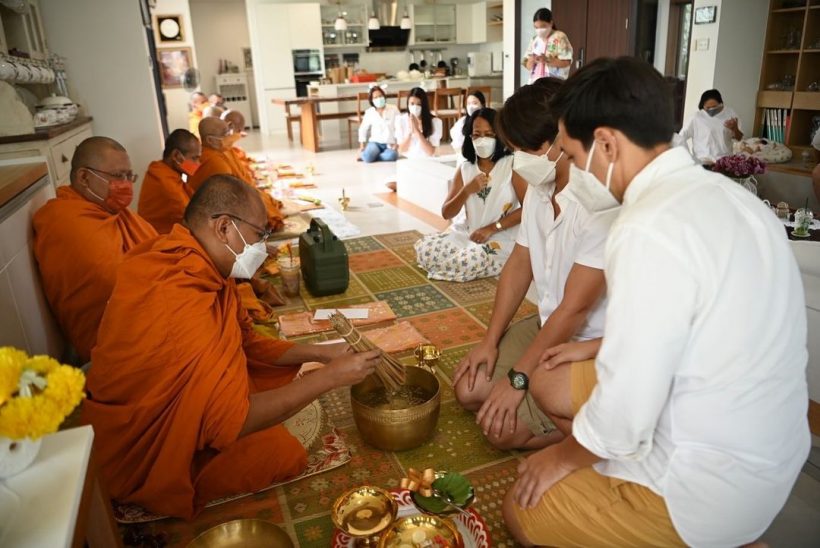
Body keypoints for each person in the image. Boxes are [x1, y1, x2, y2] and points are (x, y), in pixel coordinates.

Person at [501, 57, 809, 548]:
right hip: (769, 450)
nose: (576, 172)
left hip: (705, 488)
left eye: (575, 159)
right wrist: (598, 348)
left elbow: (625, 411)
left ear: (606, 143)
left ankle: (704, 536)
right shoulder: (730, 198)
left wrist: (560, 458)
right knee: (552, 383)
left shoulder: (647, 226)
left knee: (522, 510)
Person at [83, 175, 382, 519]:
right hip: (139, 449)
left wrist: (319, 352)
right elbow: (233, 423)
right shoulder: (176, 291)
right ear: (224, 227)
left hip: (171, 405)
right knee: (282, 455)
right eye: (259, 235)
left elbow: (247, 343)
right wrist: (330, 377)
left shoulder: (203, 266)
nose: (265, 247)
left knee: (261, 391)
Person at [453, 80, 616, 450]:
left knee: (499, 431)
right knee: (469, 390)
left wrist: (518, 380)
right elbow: (520, 261)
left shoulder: (598, 203)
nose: (520, 158)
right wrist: (489, 341)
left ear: (562, 138)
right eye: (515, 148)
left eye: (528, 148)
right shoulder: (541, 192)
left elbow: (575, 312)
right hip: (549, 323)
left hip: (588, 341)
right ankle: (555, 406)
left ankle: (581, 431)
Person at [32, 137, 157, 363]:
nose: (127, 184)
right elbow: (113, 287)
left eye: (130, 176)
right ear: (83, 177)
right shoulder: (64, 222)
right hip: (117, 349)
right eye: (118, 176)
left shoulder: (117, 212)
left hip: (152, 319)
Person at [414, 108, 526, 282]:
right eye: (477, 134)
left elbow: (528, 208)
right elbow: (446, 213)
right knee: (426, 249)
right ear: (469, 137)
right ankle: (452, 264)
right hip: (468, 233)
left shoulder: (512, 165)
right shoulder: (466, 168)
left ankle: (455, 265)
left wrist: (492, 228)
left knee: (469, 261)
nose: (483, 140)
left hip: (500, 236)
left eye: (489, 134)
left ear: (500, 136)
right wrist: (466, 190)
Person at [190, 117, 284, 232]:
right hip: (223, 207)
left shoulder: (222, 149)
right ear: (210, 140)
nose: (229, 136)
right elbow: (228, 198)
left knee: (264, 200)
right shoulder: (213, 161)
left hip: (239, 194)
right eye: (225, 134)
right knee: (265, 214)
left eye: (228, 131)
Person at [138, 129, 201, 234]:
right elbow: (192, 217)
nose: (198, 164)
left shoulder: (165, 171)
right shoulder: (163, 180)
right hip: (159, 241)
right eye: (194, 158)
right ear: (176, 156)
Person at [675, 88, 743, 163]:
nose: (711, 109)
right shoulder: (696, 117)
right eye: (708, 108)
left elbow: (739, 139)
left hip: (724, 162)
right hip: (703, 161)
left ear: (721, 103)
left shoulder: (731, 114)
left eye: (714, 107)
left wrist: (735, 129)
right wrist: (688, 157)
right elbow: (680, 138)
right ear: (703, 106)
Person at [523, 8, 573, 83]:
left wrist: (547, 60)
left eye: (543, 26)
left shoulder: (559, 37)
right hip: (534, 82)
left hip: (553, 83)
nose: (539, 30)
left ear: (551, 23)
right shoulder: (534, 39)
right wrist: (532, 60)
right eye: (536, 27)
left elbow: (566, 62)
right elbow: (527, 65)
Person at [395, 87, 442, 159]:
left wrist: (417, 131)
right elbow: (401, 150)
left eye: (419, 104)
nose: (415, 107)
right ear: (408, 104)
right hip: (409, 162)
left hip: (428, 161)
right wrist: (411, 132)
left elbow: (430, 152)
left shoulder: (435, 122)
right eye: (412, 104)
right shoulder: (401, 120)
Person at [358, 85, 399, 163]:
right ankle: (367, 155)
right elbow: (363, 129)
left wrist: (397, 143)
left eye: (380, 96)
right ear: (371, 100)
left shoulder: (393, 109)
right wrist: (362, 146)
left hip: (389, 143)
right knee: (368, 158)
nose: (379, 99)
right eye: (375, 97)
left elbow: (400, 126)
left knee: (392, 155)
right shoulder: (370, 112)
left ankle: (372, 156)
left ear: (384, 96)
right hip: (375, 143)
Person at [449, 91, 486, 157]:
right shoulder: (462, 122)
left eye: (474, 103)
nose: (471, 106)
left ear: (482, 105)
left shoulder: (488, 120)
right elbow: (457, 144)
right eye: (468, 103)